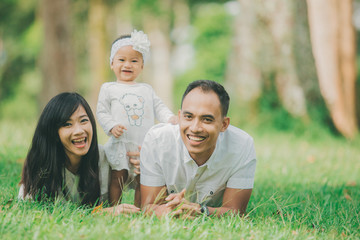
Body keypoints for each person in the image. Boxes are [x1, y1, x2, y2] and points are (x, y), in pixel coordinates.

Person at [140, 80, 257, 217]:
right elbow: (149, 206)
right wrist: (170, 210)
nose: (195, 128)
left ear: (224, 124)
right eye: (188, 117)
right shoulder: (157, 141)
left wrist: (201, 211)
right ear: (179, 117)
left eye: (207, 119)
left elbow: (236, 211)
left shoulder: (242, 146)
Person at [19, 92, 139, 214]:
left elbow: (140, 182)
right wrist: (105, 212)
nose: (79, 131)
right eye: (67, 124)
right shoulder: (43, 165)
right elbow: (31, 210)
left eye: (83, 121)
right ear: (53, 132)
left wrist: (143, 167)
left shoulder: (106, 156)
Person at [96, 29, 177, 207]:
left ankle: (140, 208)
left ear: (141, 66)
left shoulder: (146, 89)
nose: (128, 65)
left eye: (134, 61)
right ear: (112, 63)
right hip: (120, 142)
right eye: (122, 60)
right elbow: (101, 111)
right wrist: (111, 126)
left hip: (143, 145)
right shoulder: (109, 88)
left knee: (143, 178)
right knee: (118, 175)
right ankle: (115, 207)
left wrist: (170, 118)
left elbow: (159, 107)